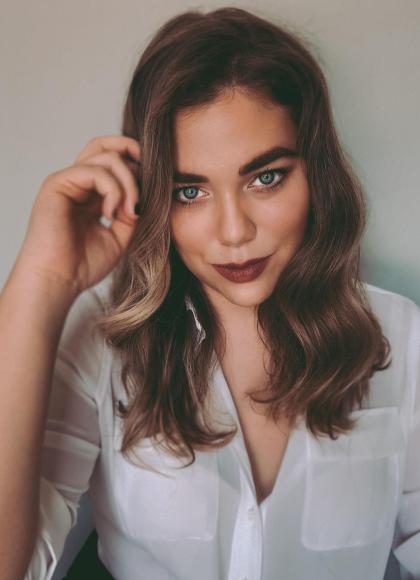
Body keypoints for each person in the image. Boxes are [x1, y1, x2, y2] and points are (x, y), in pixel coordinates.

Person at [1, 6, 419, 580]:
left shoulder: (401, 339)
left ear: (316, 172)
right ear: (151, 196)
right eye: (189, 191)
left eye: (265, 178)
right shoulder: (103, 341)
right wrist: (41, 281)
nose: (234, 232)